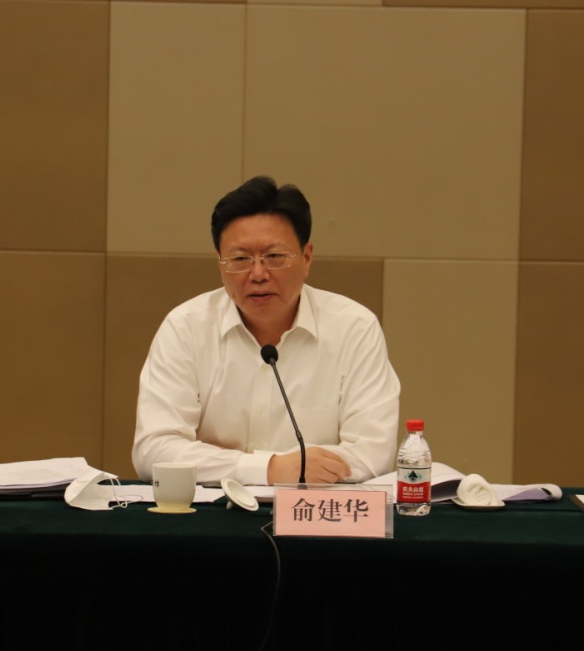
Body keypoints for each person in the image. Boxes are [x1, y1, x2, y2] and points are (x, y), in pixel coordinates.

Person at [133, 176, 400, 485]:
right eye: (240, 259)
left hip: (311, 511)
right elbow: (153, 450)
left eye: (274, 257)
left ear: (307, 258)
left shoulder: (354, 328)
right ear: (220, 264)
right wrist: (269, 469)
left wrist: (233, 466)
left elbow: (372, 453)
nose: (258, 274)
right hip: (214, 511)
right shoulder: (185, 328)